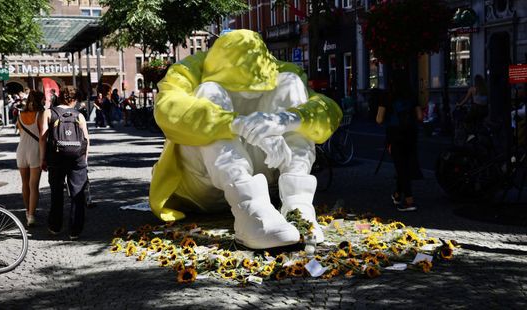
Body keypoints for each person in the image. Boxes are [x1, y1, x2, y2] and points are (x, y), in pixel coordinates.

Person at [149, 30, 342, 249]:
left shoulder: (277, 68)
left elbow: (328, 110)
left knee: (290, 83)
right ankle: (251, 212)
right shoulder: (187, 70)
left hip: (262, 176)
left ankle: (298, 204)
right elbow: (167, 110)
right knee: (208, 91)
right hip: (201, 185)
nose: (247, 96)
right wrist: (237, 123)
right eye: (239, 90)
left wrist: (284, 120)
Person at [40, 86, 90, 240]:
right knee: (77, 195)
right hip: (77, 157)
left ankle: (55, 227)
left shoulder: (49, 113)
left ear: (61, 97)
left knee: (56, 193)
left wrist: (43, 158)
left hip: (55, 157)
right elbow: (86, 140)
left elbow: (42, 138)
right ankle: (75, 231)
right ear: (74, 100)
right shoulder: (79, 115)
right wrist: (85, 160)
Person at [376, 68, 423, 212]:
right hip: (410, 134)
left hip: (395, 134)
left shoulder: (387, 96)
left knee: (400, 167)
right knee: (405, 166)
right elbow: (420, 117)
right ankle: (397, 195)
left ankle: (409, 201)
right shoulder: (412, 95)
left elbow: (379, 119)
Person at [16, 90, 45, 226]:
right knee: (34, 185)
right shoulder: (40, 114)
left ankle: (28, 211)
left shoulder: (20, 115)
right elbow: (43, 137)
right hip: (35, 150)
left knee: (25, 184)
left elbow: (20, 131)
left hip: (21, 150)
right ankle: (31, 216)